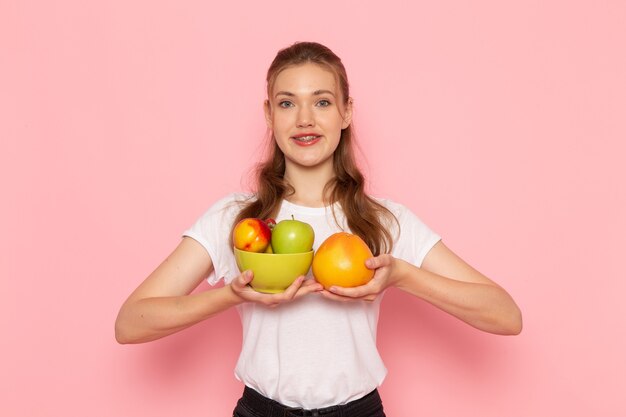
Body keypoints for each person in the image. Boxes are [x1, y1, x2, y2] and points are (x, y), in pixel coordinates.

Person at [115, 41, 522, 417]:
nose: (304, 119)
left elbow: (505, 315)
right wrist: (229, 296)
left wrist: (402, 275)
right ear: (269, 114)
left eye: (322, 102)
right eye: (287, 103)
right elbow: (131, 322)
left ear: (346, 111)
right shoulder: (237, 220)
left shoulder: (384, 220)